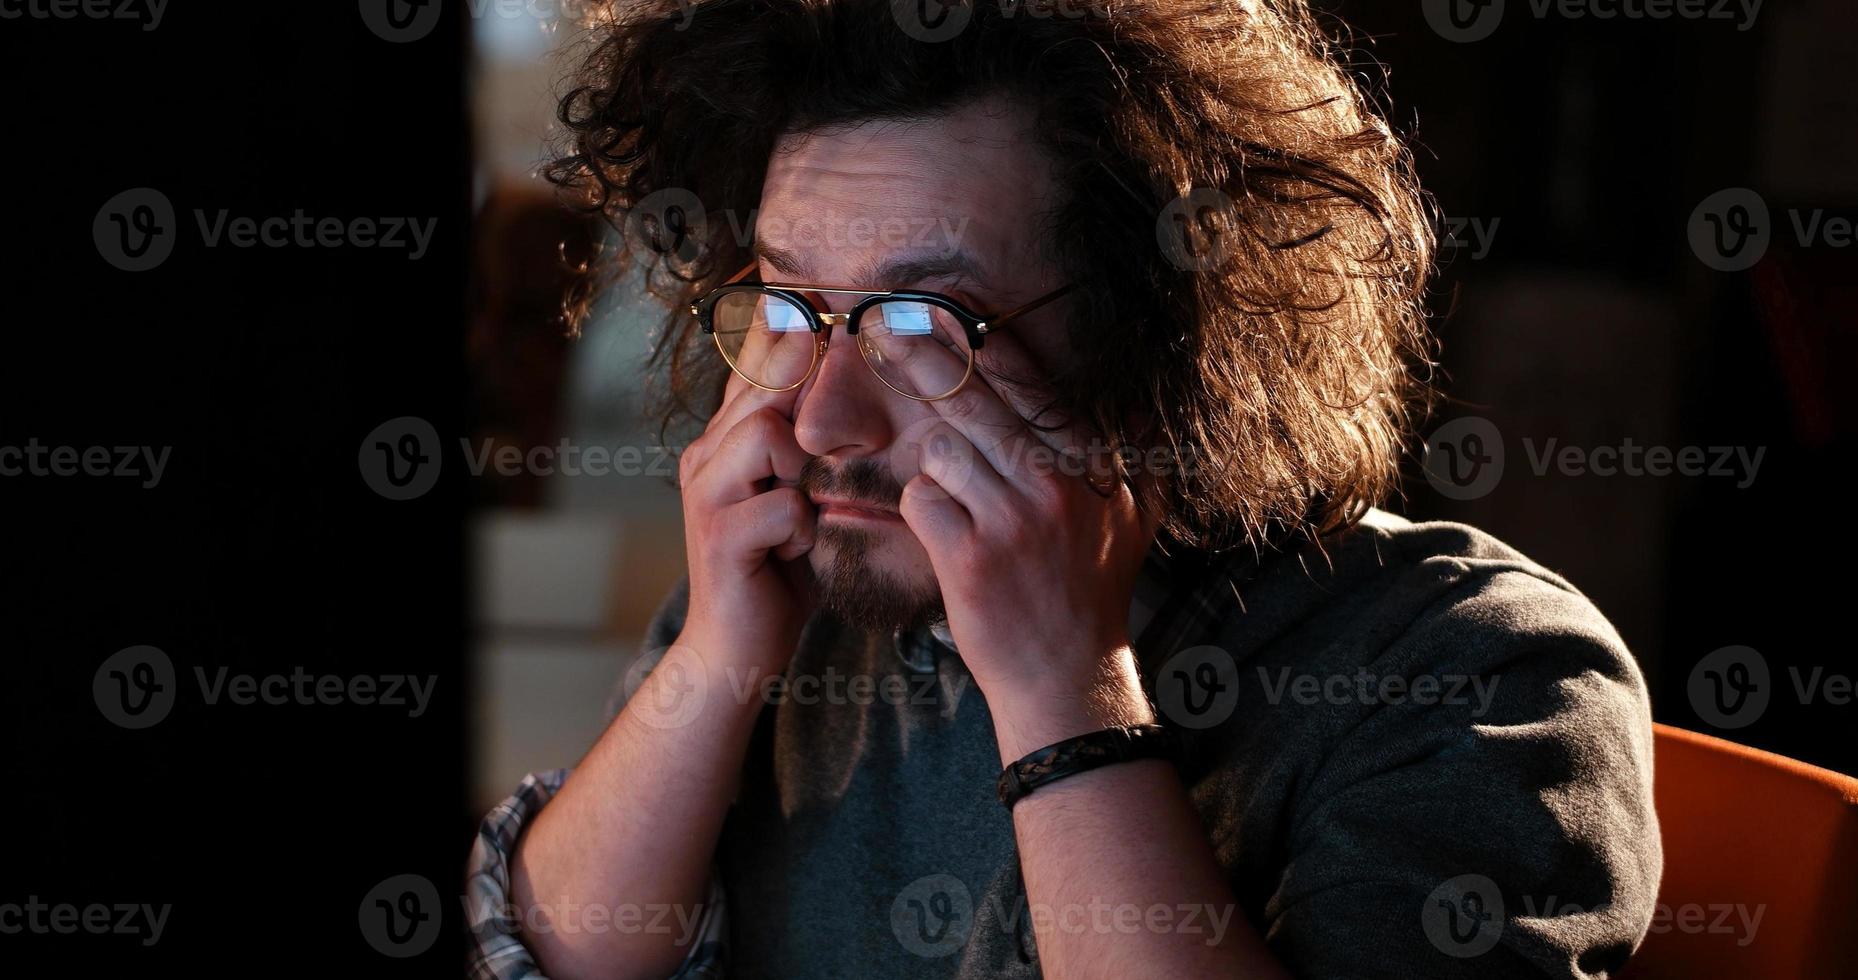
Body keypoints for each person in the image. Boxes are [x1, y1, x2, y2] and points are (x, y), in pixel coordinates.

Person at [466, 2, 1661, 977]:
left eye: (924, 326)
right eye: (796, 309)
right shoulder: (811, 587)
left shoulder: (1474, 674)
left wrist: (1063, 692)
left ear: (1160, 341)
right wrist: (716, 655)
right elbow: (547, 961)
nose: (821, 417)